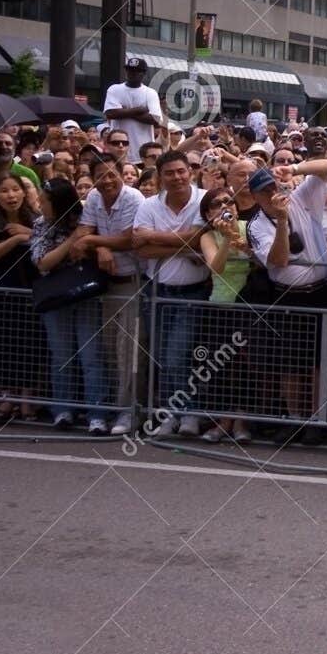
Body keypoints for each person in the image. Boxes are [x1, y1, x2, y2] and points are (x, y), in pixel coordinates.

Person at [247, 158, 327, 444]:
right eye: (266, 191)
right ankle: (294, 417)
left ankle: (317, 418)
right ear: (256, 197)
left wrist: (294, 170)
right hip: (288, 296)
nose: (273, 193)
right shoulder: (257, 225)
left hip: (322, 292)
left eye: (275, 186)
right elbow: (278, 260)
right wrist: (283, 220)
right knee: (290, 364)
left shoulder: (300, 197)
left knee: (318, 362)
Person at [130, 150, 208, 438]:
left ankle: (189, 413)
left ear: (191, 171)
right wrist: (187, 246)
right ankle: (170, 414)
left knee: (179, 354)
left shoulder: (203, 200)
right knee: (163, 356)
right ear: (160, 178)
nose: (176, 177)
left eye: (181, 171)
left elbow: (200, 239)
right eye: (169, 173)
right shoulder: (149, 205)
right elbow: (140, 248)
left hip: (193, 292)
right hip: (157, 291)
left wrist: (155, 237)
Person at [71, 152, 145, 434]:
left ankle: (130, 413)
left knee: (130, 352)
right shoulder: (93, 198)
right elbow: (82, 232)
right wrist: (99, 245)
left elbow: (129, 239)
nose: (107, 180)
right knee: (110, 350)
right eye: (101, 175)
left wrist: (93, 240)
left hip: (132, 283)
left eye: (112, 174)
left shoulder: (133, 198)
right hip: (106, 286)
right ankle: (117, 407)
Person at [29, 178, 110, 434]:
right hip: (56, 297)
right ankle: (62, 409)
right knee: (61, 356)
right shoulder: (41, 225)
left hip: (85, 294)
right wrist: (71, 241)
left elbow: (98, 246)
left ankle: (96, 413)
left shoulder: (87, 220)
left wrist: (91, 243)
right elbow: (42, 262)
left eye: (44, 200)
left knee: (91, 357)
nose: (39, 204)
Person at [0, 173, 41, 420]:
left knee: (29, 344)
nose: (11, 195)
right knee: (0, 344)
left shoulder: (36, 219)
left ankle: (26, 398)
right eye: (4, 191)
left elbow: (49, 243)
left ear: (24, 192)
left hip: (30, 287)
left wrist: (28, 233)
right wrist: (17, 239)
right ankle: (7, 397)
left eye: (15, 189)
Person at [103, 57, 164, 163]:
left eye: (137, 71)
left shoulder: (150, 92)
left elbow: (155, 120)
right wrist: (140, 110)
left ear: (143, 73)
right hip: (119, 149)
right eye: (130, 70)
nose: (132, 73)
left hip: (144, 152)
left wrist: (123, 111)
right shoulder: (114, 89)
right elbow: (110, 113)